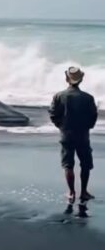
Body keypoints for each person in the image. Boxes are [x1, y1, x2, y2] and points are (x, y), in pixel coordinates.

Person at [49, 67, 97, 204]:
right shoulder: (88, 97)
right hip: (82, 134)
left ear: (67, 79)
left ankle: (71, 192)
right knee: (85, 164)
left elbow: (53, 114)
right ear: (81, 80)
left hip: (66, 134)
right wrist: (88, 127)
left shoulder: (58, 96)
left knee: (68, 164)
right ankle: (84, 192)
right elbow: (93, 116)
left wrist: (61, 126)